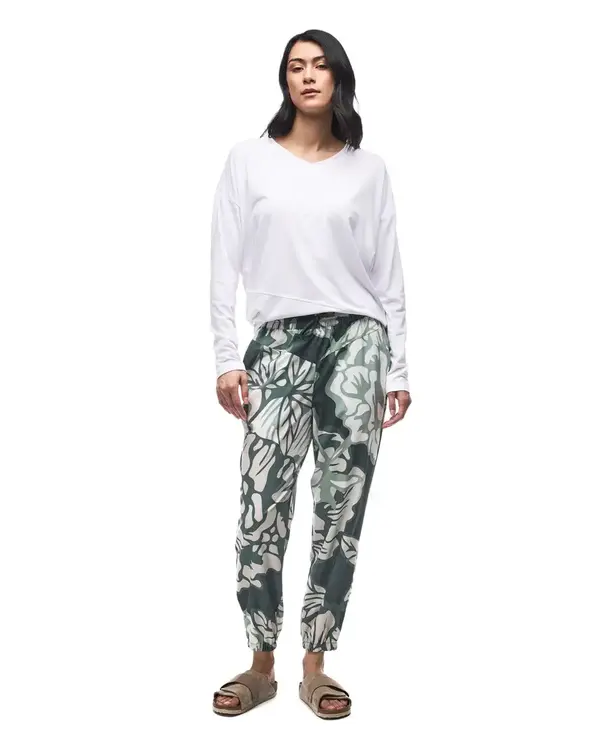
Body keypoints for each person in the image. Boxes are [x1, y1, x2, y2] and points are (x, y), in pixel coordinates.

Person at [209, 29, 411, 720]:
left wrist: (398, 367)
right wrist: (227, 357)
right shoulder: (248, 161)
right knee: (261, 497)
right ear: (284, 81)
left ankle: (316, 664)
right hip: (278, 344)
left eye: (320, 65)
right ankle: (260, 661)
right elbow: (222, 263)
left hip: (358, 342)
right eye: (295, 66)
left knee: (340, 503)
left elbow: (387, 273)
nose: (307, 75)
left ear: (339, 78)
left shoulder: (367, 170)